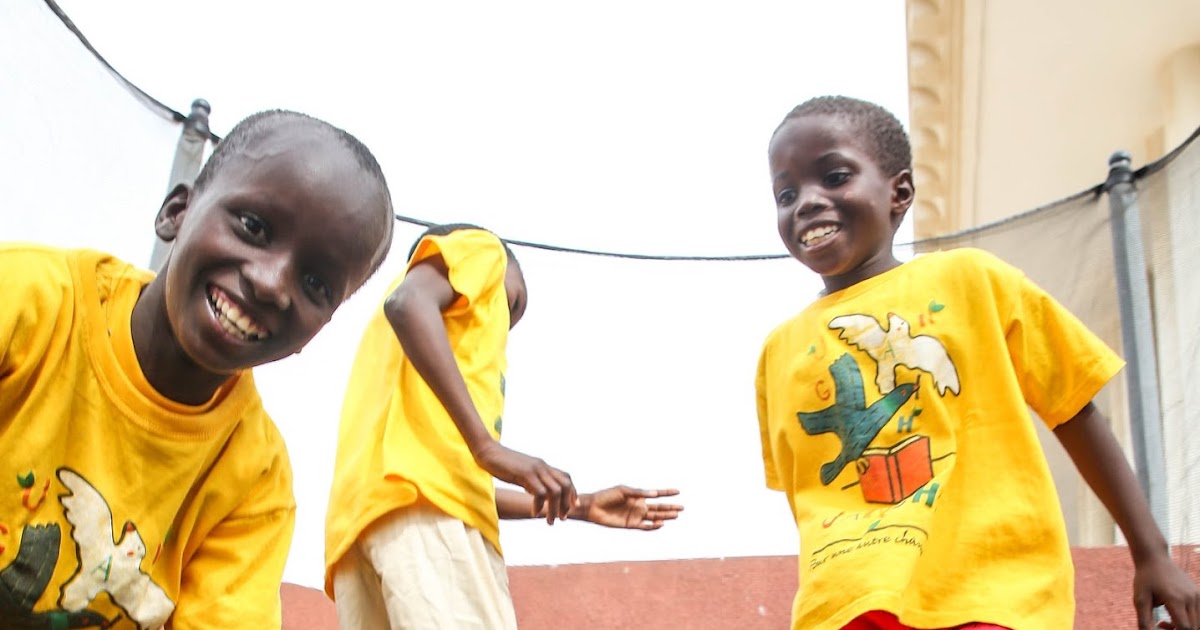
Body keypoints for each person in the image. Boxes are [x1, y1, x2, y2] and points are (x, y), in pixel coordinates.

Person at [755, 95, 1200, 630]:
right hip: (845, 609)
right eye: (786, 193)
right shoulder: (778, 352)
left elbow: (1075, 410)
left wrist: (1150, 553)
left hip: (989, 593)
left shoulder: (971, 280)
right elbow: (808, 496)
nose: (806, 202)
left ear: (899, 192)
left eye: (834, 176)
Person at [0, 109, 395, 629]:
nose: (274, 284)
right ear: (176, 212)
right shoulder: (28, 300)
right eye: (254, 227)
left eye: (317, 284)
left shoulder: (255, 481)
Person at [325, 223, 683, 630]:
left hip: (358, 533)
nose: (503, 326)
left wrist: (579, 505)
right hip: (430, 522)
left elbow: (452, 481)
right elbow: (408, 303)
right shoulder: (482, 250)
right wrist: (487, 447)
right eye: (512, 304)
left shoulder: (394, 379)